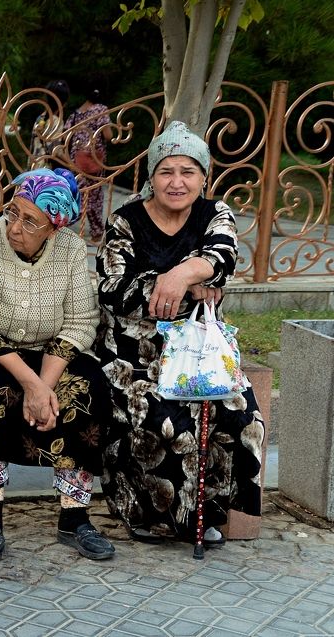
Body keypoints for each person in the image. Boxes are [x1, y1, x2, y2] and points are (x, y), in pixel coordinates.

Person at [95, 121, 264, 546]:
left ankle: (202, 514)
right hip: (135, 354)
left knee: (242, 417)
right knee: (164, 421)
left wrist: (180, 275)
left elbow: (223, 257)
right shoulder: (126, 220)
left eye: (188, 172)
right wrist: (185, 283)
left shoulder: (214, 214)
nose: (177, 182)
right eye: (166, 171)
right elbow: (114, 289)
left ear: (203, 177)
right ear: (151, 177)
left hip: (200, 350)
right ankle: (146, 513)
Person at [0, 167, 116, 561]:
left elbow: (81, 322)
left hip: (51, 351)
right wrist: (32, 385)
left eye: (29, 221)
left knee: (88, 386)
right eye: (13, 212)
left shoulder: (70, 248)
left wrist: (44, 384)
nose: (14, 227)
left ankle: (74, 517)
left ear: (53, 229)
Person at [63, 83, 113, 242]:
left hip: (76, 159)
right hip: (94, 159)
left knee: (78, 191)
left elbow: (65, 134)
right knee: (94, 195)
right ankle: (96, 230)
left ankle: (63, 219)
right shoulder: (101, 110)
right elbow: (108, 135)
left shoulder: (76, 113)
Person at [30, 79, 70, 169]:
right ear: (64, 103)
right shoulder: (56, 121)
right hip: (45, 169)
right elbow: (55, 149)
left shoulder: (40, 118)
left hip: (33, 165)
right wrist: (71, 164)